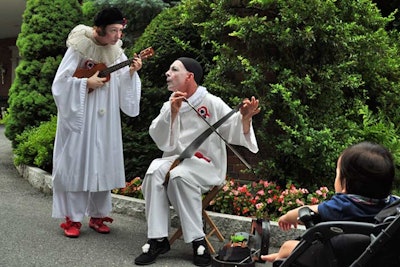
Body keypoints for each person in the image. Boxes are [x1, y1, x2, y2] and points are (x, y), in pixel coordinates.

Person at [134, 57, 260, 266]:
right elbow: (158, 136)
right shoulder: (170, 103)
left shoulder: (211, 101)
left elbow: (233, 129)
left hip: (207, 165)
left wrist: (245, 118)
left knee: (179, 176)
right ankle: (157, 238)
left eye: (174, 70)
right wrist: (172, 112)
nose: (167, 73)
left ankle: (197, 241)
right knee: (153, 170)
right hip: (177, 160)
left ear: (189, 76)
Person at [51, 7, 142, 238]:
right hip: (81, 116)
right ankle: (72, 219)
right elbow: (60, 83)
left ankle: (98, 216)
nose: (117, 36)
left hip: (106, 119)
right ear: (99, 29)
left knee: (102, 162)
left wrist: (131, 73)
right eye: (113, 31)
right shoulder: (80, 46)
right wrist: (85, 84)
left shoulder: (117, 52)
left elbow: (122, 84)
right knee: (77, 163)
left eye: (120, 31)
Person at [261, 141, 399, 263]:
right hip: (368, 258)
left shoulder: (342, 206)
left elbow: (306, 211)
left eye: (337, 174)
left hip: (334, 257)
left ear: (344, 184)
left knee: (286, 248)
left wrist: (286, 218)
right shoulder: (393, 208)